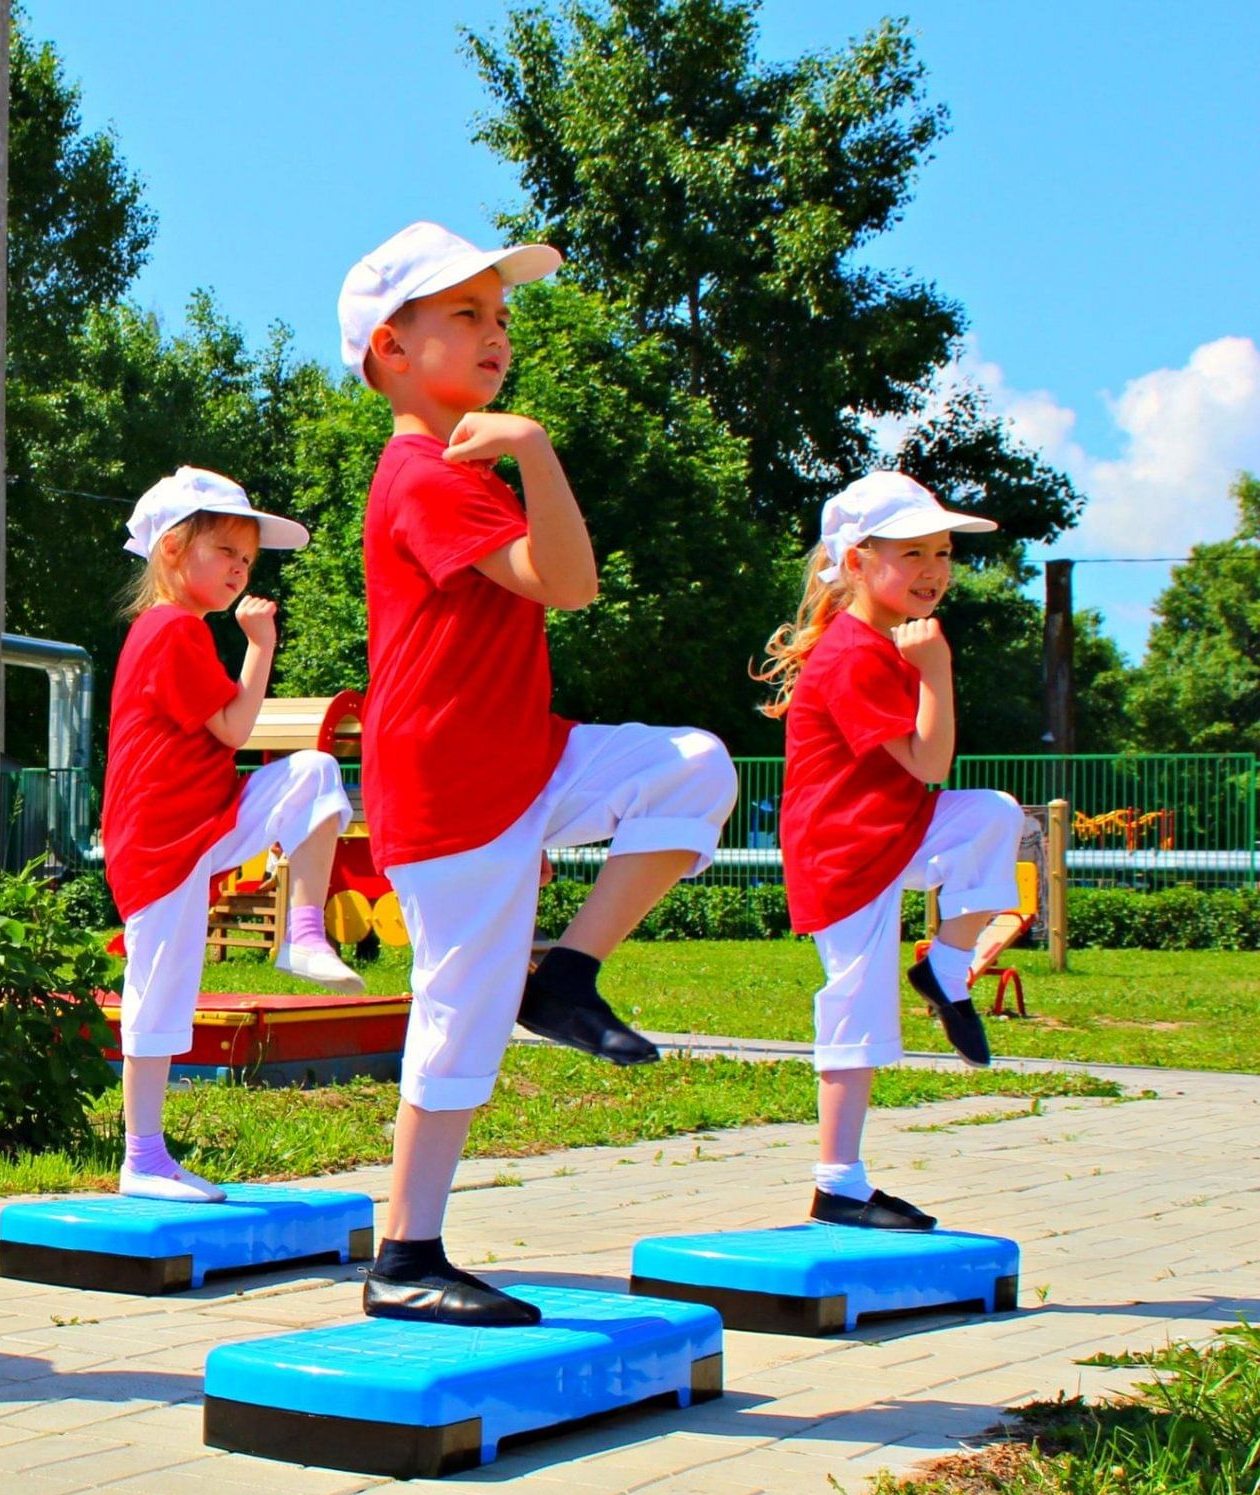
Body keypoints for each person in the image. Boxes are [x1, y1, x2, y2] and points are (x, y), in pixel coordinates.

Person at [340, 222, 738, 1327]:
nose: (494, 335)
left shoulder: (466, 466)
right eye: (464, 314)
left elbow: (568, 577)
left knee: (693, 769)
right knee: (456, 1014)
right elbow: (562, 588)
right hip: (450, 785)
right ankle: (405, 1252)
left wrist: (535, 452)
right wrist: (524, 452)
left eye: (500, 317)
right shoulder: (419, 472)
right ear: (388, 349)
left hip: (528, 750)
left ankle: (563, 978)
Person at [756, 470, 1022, 1231]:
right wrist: (935, 670)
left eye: (942, 552)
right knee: (857, 1005)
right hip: (845, 853)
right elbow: (931, 763)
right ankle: (838, 1182)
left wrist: (928, 666)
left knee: (994, 816)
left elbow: (930, 779)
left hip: (893, 829)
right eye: (913, 553)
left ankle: (944, 968)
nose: (935, 570)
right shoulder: (854, 654)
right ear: (858, 560)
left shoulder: (880, 643)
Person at [104, 467, 361, 1202]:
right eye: (227, 553)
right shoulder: (171, 629)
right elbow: (236, 726)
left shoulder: (178, 630)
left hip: (205, 817)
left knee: (314, 771)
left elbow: (228, 733)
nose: (241, 571)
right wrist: (259, 643)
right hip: (160, 841)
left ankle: (302, 932)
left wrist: (256, 642)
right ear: (174, 549)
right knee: (159, 989)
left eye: (248, 561)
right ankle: (143, 1158)